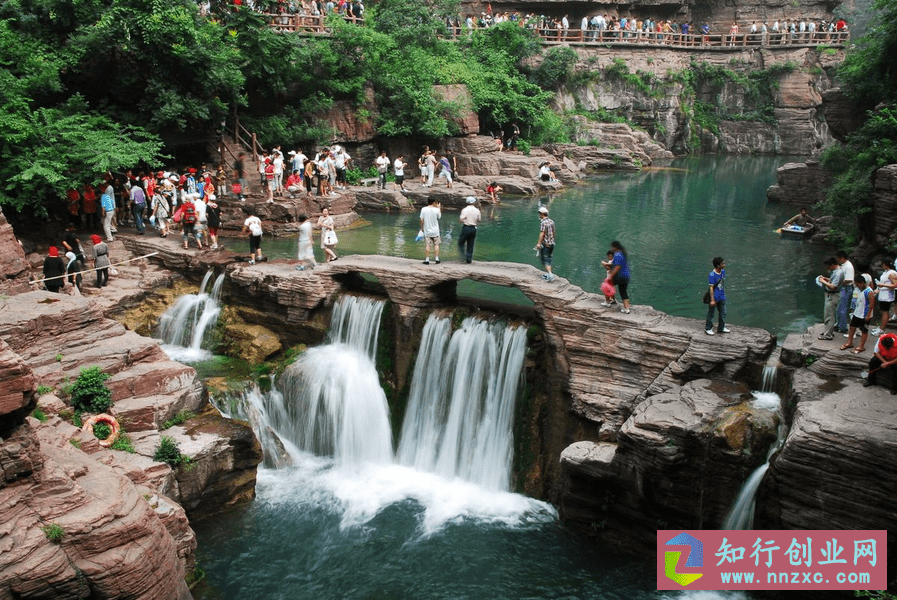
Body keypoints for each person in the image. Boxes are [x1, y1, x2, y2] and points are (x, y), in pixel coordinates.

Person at [841, 275, 874, 354]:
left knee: (864, 330)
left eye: (858, 284)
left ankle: (861, 346)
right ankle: (849, 342)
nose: (857, 286)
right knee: (852, 327)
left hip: (864, 314)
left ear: (862, 283)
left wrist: (868, 314)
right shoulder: (859, 290)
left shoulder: (869, 291)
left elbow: (872, 304)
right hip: (857, 313)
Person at [818, 257, 844, 340]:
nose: (828, 268)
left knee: (829, 315)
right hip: (831, 295)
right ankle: (828, 331)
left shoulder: (838, 273)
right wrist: (827, 279)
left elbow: (833, 286)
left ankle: (828, 335)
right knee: (829, 315)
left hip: (832, 296)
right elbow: (834, 281)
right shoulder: (836, 272)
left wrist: (823, 282)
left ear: (832, 265)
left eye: (828, 266)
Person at [872, 258, 897, 336]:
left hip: (887, 296)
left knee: (885, 312)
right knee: (883, 312)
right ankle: (880, 327)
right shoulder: (886, 273)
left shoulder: (892, 273)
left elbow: (895, 285)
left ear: (885, 264)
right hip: (882, 295)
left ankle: (882, 329)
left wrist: (883, 285)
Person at [704, 257, 729, 335]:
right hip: (714, 296)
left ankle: (721, 327)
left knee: (723, 312)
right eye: (722, 263)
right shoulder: (712, 275)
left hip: (721, 296)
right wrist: (712, 300)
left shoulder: (723, 272)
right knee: (711, 313)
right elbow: (711, 288)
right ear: (718, 265)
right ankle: (708, 328)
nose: (724, 264)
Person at [607, 240, 631, 313]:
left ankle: (609, 301)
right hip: (626, 275)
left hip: (620, 276)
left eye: (612, 247)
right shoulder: (623, 253)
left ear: (615, 247)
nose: (611, 249)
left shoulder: (617, 254)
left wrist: (611, 276)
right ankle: (627, 308)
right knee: (623, 291)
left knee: (607, 285)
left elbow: (617, 267)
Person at [836, 250, 855, 333]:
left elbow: (849, 279)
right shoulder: (843, 265)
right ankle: (839, 324)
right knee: (839, 308)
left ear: (842, 258)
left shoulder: (848, 266)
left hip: (846, 288)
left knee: (843, 308)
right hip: (843, 287)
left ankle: (843, 327)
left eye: (838, 259)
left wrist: (838, 282)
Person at [535, 206, 555, 282]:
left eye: (540, 213)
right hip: (552, 244)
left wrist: (539, 244)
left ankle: (550, 275)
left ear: (542, 214)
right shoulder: (551, 221)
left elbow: (542, 234)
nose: (539, 215)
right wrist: (552, 241)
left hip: (546, 244)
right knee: (549, 258)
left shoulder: (543, 222)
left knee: (545, 260)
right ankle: (549, 274)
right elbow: (554, 232)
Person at [458, 196, 481, 263]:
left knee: (461, 242)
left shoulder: (464, 210)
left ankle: (463, 256)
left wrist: (463, 221)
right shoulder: (477, 210)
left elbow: (461, 219)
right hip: (473, 228)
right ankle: (469, 259)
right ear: (474, 202)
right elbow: (479, 220)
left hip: (466, 227)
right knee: (471, 244)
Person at [419, 198, 441, 265]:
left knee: (428, 245)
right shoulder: (436, 210)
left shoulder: (423, 209)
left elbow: (421, 219)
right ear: (434, 202)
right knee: (436, 245)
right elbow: (439, 217)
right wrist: (439, 207)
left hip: (427, 230)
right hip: (435, 231)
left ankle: (427, 260)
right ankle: (437, 259)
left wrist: (422, 228)